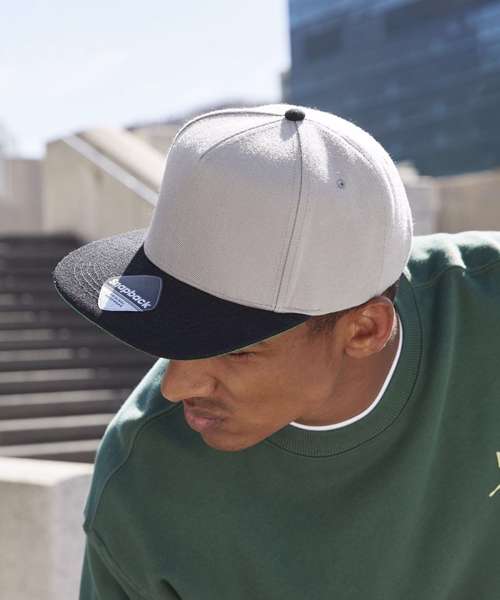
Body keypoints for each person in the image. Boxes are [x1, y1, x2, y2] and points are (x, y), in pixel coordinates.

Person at [53, 103, 500, 599]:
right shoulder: (141, 483)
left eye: (235, 350)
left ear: (364, 330)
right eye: (174, 334)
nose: (176, 386)